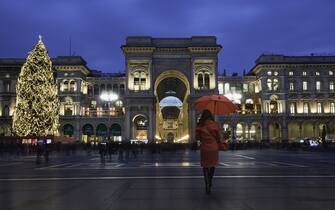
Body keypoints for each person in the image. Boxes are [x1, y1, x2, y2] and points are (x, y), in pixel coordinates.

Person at [196, 109, 221, 194]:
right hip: (213, 147)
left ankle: (207, 184)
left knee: (205, 167)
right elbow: (218, 137)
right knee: (213, 165)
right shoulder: (215, 125)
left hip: (205, 148)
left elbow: (197, 138)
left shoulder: (200, 125)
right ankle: (210, 181)